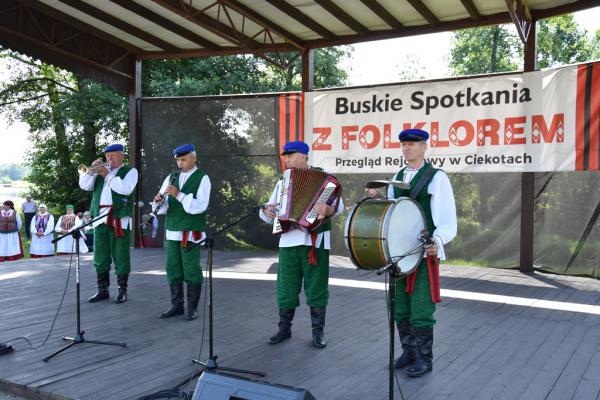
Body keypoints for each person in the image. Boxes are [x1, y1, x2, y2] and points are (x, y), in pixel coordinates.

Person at [367, 128, 457, 377]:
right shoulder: (397, 176)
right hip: (398, 253)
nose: (407, 148)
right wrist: (379, 196)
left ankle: (425, 359)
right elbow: (395, 214)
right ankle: (409, 352)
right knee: (400, 306)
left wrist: (437, 240)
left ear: (424, 146)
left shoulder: (437, 177)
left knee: (421, 308)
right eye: (404, 144)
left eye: (412, 144)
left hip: (423, 253)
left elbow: (449, 221)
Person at [259, 141, 344, 349]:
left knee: (317, 287)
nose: (286, 159)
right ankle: (284, 328)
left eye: (290, 155)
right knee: (286, 287)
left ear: (304, 156)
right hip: (288, 242)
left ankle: (318, 332)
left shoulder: (325, 179)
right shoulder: (283, 182)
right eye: (285, 156)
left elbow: (338, 207)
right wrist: (267, 211)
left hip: (315, 242)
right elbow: (269, 213)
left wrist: (328, 210)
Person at [155, 144, 211, 320]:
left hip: (190, 231)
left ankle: (192, 307)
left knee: (191, 268)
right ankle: (177, 305)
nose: (180, 163)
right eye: (178, 160)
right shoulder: (171, 177)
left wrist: (179, 195)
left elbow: (200, 207)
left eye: (183, 159)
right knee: (172, 267)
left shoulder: (203, 178)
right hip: (173, 230)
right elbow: (163, 206)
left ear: (194, 158)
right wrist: (159, 201)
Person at [79, 144, 138, 304]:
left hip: (119, 219)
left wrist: (106, 174)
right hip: (100, 218)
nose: (109, 158)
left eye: (112, 155)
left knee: (121, 255)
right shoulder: (99, 173)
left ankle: (122, 290)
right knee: (100, 255)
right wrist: (92, 171)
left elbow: (125, 189)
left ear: (121, 156)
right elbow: (84, 186)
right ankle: (102, 290)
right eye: (107, 156)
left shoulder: (130, 172)